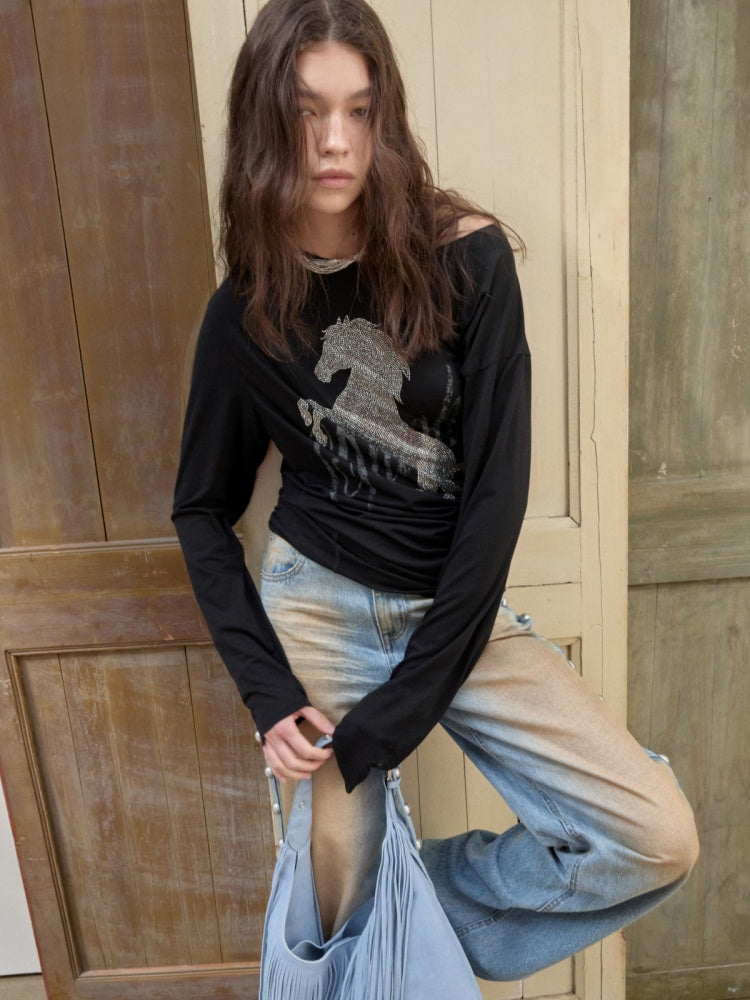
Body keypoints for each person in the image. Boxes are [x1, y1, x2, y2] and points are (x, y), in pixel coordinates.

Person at [172, 0, 699, 981]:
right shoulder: (244, 313)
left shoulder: (467, 258)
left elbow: (495, 498)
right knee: (335, 886)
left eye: (359, 110)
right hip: (317, 606)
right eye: (305, 112)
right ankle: (369, 914)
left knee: (653, 834)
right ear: (263, 124)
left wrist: (403, 708)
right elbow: (199, 508)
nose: (336, 141)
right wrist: (268, 693)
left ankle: (405, 907)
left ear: (386, 117)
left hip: (455, 605)